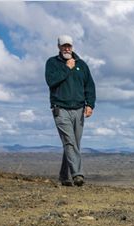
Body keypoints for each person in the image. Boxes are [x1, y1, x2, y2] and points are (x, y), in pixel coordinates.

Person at [45, 35, 96, 187]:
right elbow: (51, 81)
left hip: (79, 109)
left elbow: (90, 86)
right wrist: (67, 68)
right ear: (58, 47)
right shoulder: (52, 63)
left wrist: (90, 104)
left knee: (74, 144)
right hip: (60, 109)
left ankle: (64, 176)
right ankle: (77, 175)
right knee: (69, 142)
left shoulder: (82, 65)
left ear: (72, 47)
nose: (67, 48)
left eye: (69, 46)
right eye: (63, 46)